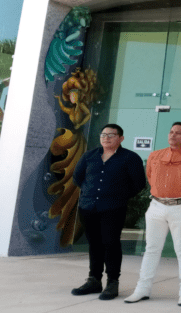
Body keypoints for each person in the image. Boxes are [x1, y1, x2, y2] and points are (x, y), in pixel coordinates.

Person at [124, 122, 181, 306]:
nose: (172, 135)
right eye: (171, 132)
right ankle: (142, 289)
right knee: (151, 249)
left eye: (178, 133)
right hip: (156, 206)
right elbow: (150, 176)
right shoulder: (155, 155)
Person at [71, 124, 146, 300]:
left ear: (121, 138)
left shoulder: (130, 158)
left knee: (111, 244)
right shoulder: (89, 156)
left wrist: (118, 196)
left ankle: (113, 283)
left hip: (113, 208)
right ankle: (94, 280)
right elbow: (77, 177)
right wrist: (91, 192)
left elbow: (139, 184)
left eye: (111, 135)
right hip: (88, 207)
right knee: (94, 244)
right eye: (103, 134)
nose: (106, 138)